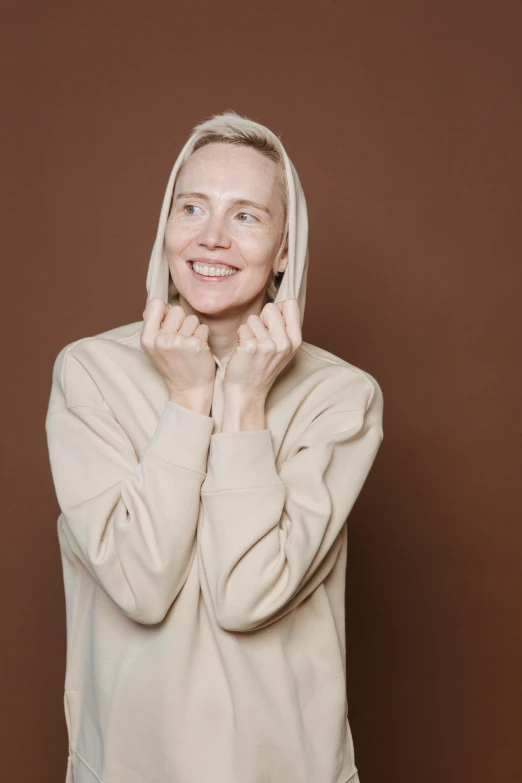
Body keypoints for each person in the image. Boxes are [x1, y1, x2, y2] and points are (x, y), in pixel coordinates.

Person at [45, 111, 384, 783]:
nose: (211, 237)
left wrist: (244, 403)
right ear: (165, 226)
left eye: (247, 217)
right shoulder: (88, 373)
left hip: (288, 765)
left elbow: (245, 595)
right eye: (192, 207)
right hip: (127, 764)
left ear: (284, 249)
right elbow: (142, 584)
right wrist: (186, 400)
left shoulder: (340, 397)